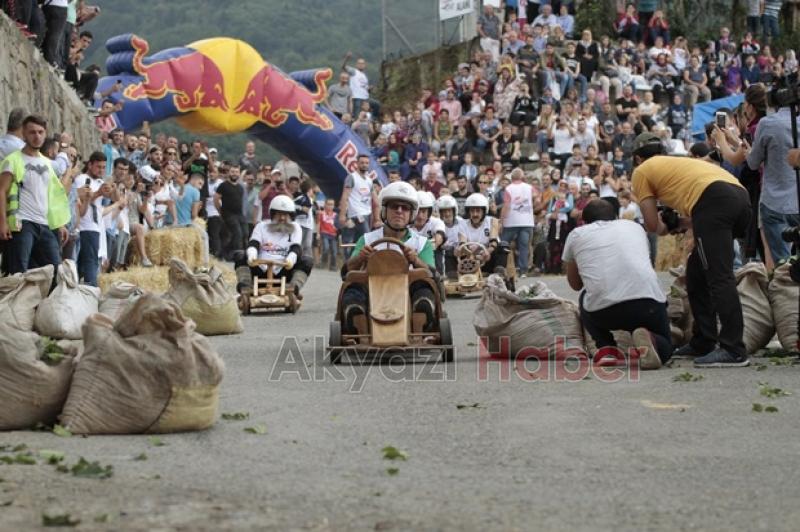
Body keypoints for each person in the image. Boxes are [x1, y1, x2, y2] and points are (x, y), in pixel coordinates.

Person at [630, 133, 751, 367]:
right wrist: (679, 223)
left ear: (636, 158)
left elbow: (653, 225)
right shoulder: (679, 163)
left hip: (714, 201)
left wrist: (667, 225)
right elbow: (702, 218)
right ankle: (703, 340)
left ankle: (734, 349)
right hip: (738, 198)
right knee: (696, 272)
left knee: (719, 276)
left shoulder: (642, 171)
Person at [563, 199, 667, 369]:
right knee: (666, 342)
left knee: (585, 296)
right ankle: (653, 340)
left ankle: (607, 349)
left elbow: (575, 284)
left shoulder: (577, 234)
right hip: (649, 304)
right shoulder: (634, 227)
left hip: (604, 312)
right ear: (616, 216)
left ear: (584, 220)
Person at [342, 181, 437, 335]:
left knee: (425, 288)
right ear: (384, 211)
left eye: (405, 208)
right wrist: (360, 258)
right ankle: (360, 331)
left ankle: (420, 331)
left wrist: (416, 260)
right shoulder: (367, 240)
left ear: (411, 214)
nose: (399, 211)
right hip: (373, 290)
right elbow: (346, 273)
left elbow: (433, 274)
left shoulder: (421, 243)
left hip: (408, 290)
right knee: (352, 290)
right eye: (394, 206)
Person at [0, 115, 70, 275]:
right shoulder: (13, 160)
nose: (37, 136)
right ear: (24, 134)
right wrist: (2, 223)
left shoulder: (46, 163)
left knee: (56, 272)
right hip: (22, 223)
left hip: (44, 224)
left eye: (40, 132)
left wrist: (60, 224)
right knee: (18, 273)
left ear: (45, 134)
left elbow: (52, 195)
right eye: (32, 132)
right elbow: (2, 191)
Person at [235, 194, 312, 299]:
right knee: (240, 255)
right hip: (260, 270)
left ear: (291, 216)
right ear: (272, 214)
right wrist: (252, 256)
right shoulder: (261, 226)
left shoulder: (295, 228)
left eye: (286, 215)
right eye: (279, 214)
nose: (282, 218)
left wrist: (290, 259)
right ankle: (246, 286)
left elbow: (296, 248)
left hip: (283, 271)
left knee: (307, 260)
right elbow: (253, 244)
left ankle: (293, 288)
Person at [459, 193, 510, 280]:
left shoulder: (492, 221)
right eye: (472, 211)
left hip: (489, 258)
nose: (475, 214)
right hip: (471, 260)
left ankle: (499, 273)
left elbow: (493, 242)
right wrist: (472, 254)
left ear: (484, 211)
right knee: (455, 250)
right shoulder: (463, 223)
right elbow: (462, 243)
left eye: (478, 211)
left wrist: (487, 252)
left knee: (503, 245)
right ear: (469, 212)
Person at [338, 154, 375, 258]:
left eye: (366, 163)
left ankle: (350, 263)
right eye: (362, 163)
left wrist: (376, 217)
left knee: (358, 241)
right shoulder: (352, 177)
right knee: (367, 239)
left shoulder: (369, 180)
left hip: (367, 213)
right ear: (357, 164)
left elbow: (374, 199)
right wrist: (342, 215)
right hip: (357, 214)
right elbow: (345, 196)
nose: (364, 165)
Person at [501, 168, 535, 276]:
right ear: (522, 177)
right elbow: (537, 198)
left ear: (511, 178)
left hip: (511, 221)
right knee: (523, 246)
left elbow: (506, 205)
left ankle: (502, 267)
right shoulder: (530, 187)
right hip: (526, 221)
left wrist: (502, 220)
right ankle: (523, 270)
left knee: (504, 243)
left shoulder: (509, 188)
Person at [413, 191, 446, 275]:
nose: (420, 216)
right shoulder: (406, 224)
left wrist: (432, 244)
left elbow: (439, 237)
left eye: (423, 212)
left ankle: (438, 279)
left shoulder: (436, 222)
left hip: (431, 256)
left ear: (429, 212)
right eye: (417, 212)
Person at [318, 198, 339, 271]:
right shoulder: (321, 213)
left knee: (334, 251)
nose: (330, 206)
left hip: (333, 235)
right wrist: (318, 233)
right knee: (326, 248)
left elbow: (338, 225)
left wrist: (337, 228)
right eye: (328, 204)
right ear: (325, 205)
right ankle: (323, 262)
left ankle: (333, 265)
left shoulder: (336, 215)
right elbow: (319, 223)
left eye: (332, 205)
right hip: (324, 233)